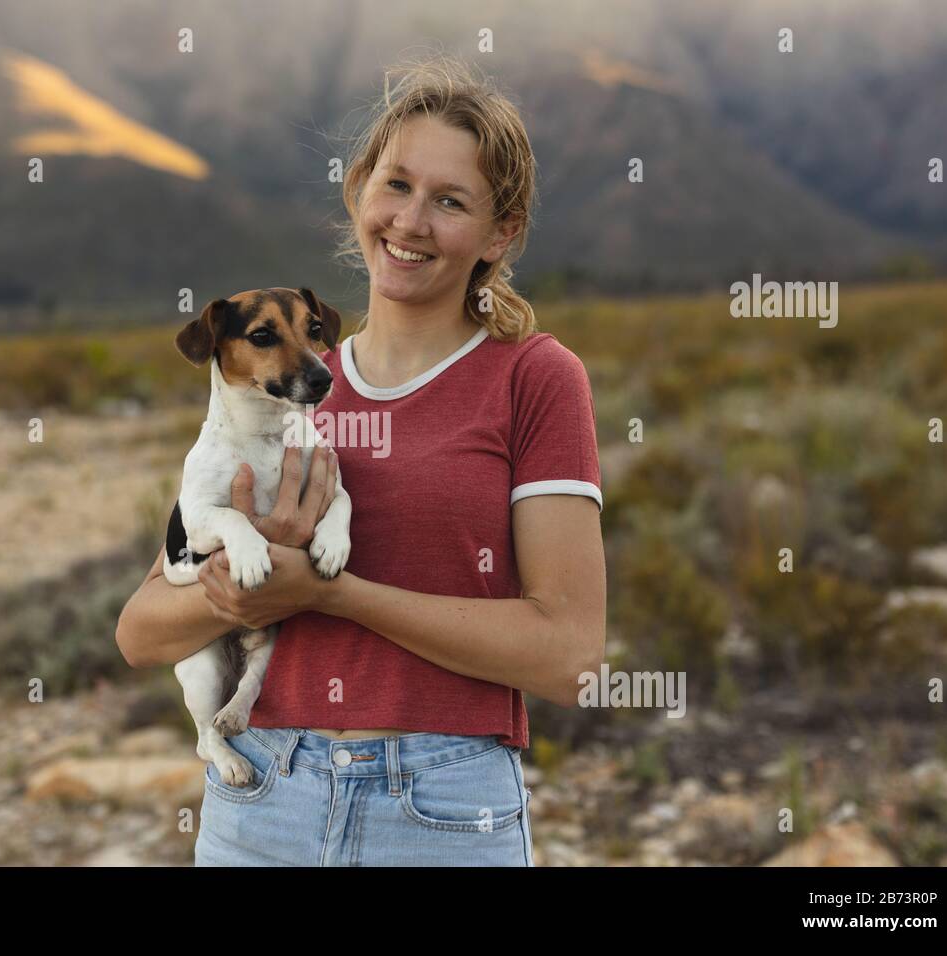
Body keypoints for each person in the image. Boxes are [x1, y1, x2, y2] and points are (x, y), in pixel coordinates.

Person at [116, 54, 605, 866]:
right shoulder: (279, 393)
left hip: (441, 808)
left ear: (501, 233)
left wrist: (335, 595)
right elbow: (139, 634)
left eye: (450, 201)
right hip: (260, 802)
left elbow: (570, 658)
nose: (411, 222)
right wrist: (249, 580)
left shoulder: (534, 378)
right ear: (358, 192)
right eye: (397, 186)